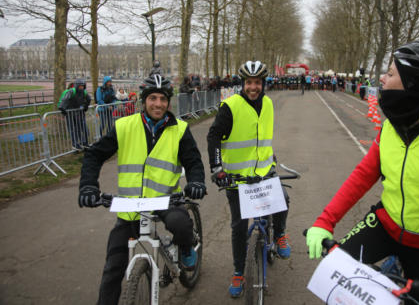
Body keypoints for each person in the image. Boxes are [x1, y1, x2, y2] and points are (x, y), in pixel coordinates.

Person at [306, 41, 419, 304]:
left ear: (412, 85)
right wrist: (325, 221)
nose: (382, 78)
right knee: (335, 276)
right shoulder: (391, 126)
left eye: (390, 74)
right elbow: (362, 176)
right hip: (385, 225)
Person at [78, 74, 206, 305]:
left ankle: (186, 249)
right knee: (113, 267)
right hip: (131, 206)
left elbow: (193, 161)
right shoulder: (124, 126)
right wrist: (88, 185)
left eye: (163, 99)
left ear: (169, 102)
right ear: (144, 100)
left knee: (181, 225)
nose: (158, 104)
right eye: (153, 98)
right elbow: (94, 155)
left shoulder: (180, 130)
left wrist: (196, 182)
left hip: (167, 200)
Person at [207, 60, 291, 298]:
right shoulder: (230, 106)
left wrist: (269, 158)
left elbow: (261, 137)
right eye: (248, 83)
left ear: (263, 84)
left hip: (264, 171)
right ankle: (238, 273)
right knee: (238, 226)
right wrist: (217, 168)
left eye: (257, 82)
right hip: (237, 177)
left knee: (283, 198)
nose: (253, 87)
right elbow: (213, 137)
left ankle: (280, 235)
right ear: (242, 84)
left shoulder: (268, 103)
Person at [58, 78, 91, 150]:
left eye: (83, 86)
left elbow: (88, 99)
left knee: (82, 128)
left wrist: (85, 107)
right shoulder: (71, 91)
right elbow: (64, 100)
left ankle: (84, 142)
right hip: (70, 113)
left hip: (79, 113)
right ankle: (75, 144)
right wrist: (63, 110)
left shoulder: (84, 92)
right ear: (76, 86)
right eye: (80, 86)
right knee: (72, 129)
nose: (81, 88)